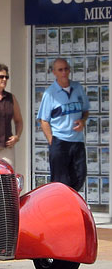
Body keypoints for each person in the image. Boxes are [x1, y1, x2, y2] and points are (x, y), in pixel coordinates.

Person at [37, 58, 89, 191]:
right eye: (60, 70)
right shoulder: (50, 93)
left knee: (79, 176)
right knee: (60, 182)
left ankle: (72, 206)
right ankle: (60, 210)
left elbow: (85, 111)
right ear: (54, 72)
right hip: (60, 142)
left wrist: (82, 121)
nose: (64, 72)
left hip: (77, 141)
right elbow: (43, 120)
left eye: (66, 69)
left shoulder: (77, 88)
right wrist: (52, 141)